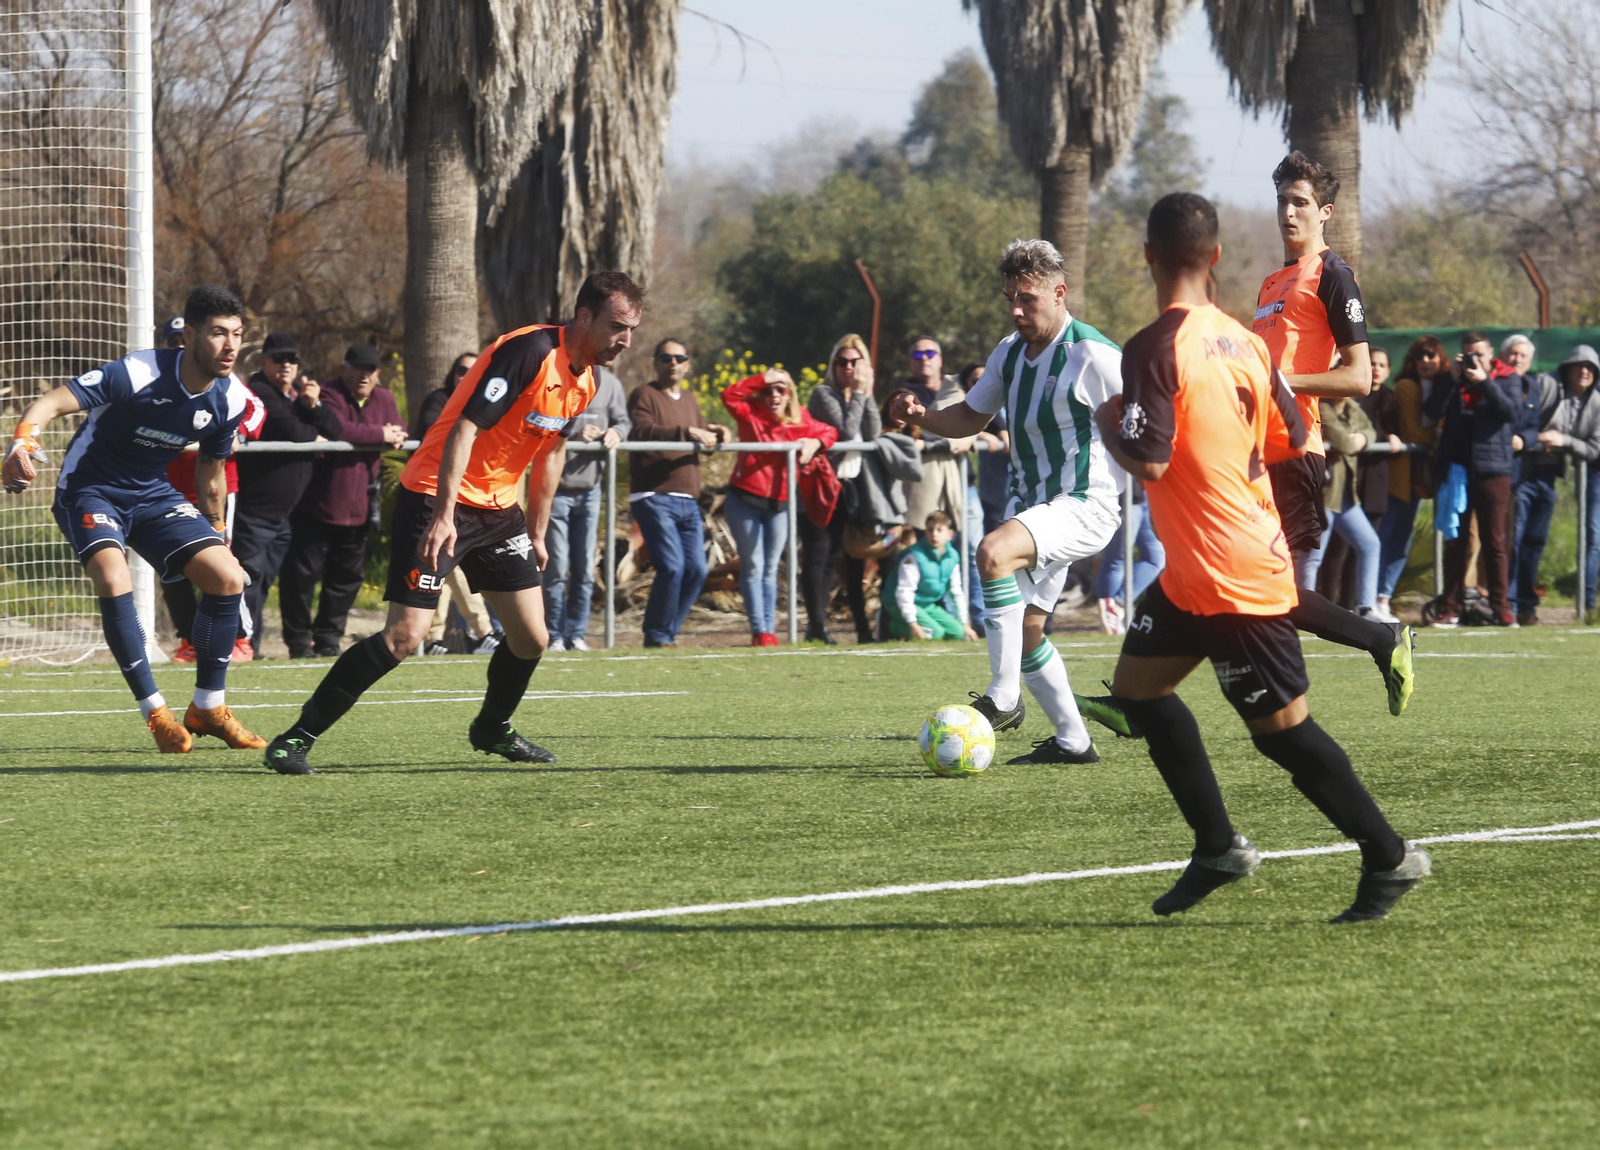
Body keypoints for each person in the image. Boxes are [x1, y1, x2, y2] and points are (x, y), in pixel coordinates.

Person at [1089, 192, 1428, 923]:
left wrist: (1106, 422)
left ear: (1147, 257)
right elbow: (1284, 441)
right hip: (1193, 572)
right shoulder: (1247, 342)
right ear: (1215, 258)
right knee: (1139, 691)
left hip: (1231, 574)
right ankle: (1217, 847)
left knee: (1284, 735)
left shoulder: (1152, 347)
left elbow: (1146, 462)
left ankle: (1389, 856)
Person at [262, 271, 643, 775]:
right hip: (435, 496)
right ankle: (294, 740)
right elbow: (466, 426)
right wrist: (443, 516)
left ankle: (491, 727)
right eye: (618, 325)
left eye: (632, 329)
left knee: (532, 636)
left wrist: (535, 528)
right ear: (585, 316)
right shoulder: (530, 352)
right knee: (406, 635)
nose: (626, 340)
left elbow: (551, 450)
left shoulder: (586, 378)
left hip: (498, 510)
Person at [890, 238, 1124, 766]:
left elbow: (1153, 422)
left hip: (1085, 504)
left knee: (992, 552)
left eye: (1028, 299)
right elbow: (970, 419)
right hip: (1036, 507)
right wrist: (921, 415)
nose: (1016, 310)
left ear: (1059, 293)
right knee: (1030, 630)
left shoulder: (1094, 355)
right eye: (1010, 299)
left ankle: (1004, 695)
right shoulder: (1009, 352)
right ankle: (1074, 742)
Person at [3, 284, 265, 753]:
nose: (230, 346)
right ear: (188, 337)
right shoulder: (139, 371)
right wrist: (22, 441)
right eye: (218, 333)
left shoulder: (229, 400)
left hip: (152, 494)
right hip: (90, 490)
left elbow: (212, 471)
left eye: (237, 335)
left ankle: (208, 707)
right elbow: (50, 402)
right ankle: (157, 714)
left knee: (228, 578)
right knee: (112, 573)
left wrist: (216, 528)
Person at [1252, 151, 1415, 714]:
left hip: (1295, 450)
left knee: (1267, 590)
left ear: (1324, 211)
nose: (1288, 212)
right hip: (1254, 452)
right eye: (1282, 201)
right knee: (1242, 580)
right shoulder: (1272, 281)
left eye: (1299, 203)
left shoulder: (1333, 273)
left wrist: (1282, 380)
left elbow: (1357, 376)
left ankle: (1378, 638)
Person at [278, 343, 407, 657]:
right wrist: (380, 434)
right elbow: (339, 429)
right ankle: (297, 642)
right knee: (300, 578)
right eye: (358, 368)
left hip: (360, 508)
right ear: (344, 368)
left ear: (377, 373)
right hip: (317, 505)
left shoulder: (385, 398)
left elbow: (399, 432)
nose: (364, 375)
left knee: (345, 581)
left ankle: (328, 639)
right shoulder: (329, 394)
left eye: (370, 370)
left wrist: (388, 434)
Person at [234, 331, 342, 659]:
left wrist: (314, 405)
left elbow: (334, 431)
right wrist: (315, 439)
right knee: (247, 583)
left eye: (292, 360)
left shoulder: (294, 397)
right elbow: (291, 431)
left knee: (263, 584)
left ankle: (249, 647)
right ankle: (239, 647)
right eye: (279, 359)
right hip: (255, 511)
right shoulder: (258, 392)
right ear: (263, 361)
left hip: (282, 516)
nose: (286, 365)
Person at [721, 369, 837, 646]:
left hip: (781, 504)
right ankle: (760, 631)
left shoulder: (802, 418)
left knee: (771, 567)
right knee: (754, 565)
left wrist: (816, 441)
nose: (774, 395)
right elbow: (729, 396)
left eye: (780, 390)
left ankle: (769, 630)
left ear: (789, 394)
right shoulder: (751, 412)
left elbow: (831, 431)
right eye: (768, 390)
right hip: (745, 499)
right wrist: (763, 378)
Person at [625, 339, 729, 648]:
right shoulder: (644, 395)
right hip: (653, 497)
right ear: (655, 363)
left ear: (687, 365)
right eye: (666, 358)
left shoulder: (689, 401)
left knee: (697, 569)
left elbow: (698, 434)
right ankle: (657, 634)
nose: (672, 363)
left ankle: (666, 632)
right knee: (671, 566)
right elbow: (642, 430)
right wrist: (687, 432)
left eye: (678, 358)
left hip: (688, 501)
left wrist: (717, 432)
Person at [1425, 331, 1519, 627]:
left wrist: (1484, 382)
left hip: (1492, 469)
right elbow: (1432, 411)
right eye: (1468, 354)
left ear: (1491, 353)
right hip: (1456, 470)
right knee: (1456, 541)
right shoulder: (1454, 380)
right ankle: (1451, 607)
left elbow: (1510, 412)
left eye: (1478, 353)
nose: (1473, 359)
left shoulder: (1507, 377)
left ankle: (1502, 607)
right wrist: (1452, 379)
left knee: (1494, 541)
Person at [411, 353, 500, 656]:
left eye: (474, 370)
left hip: (468, 494)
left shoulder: (488, 400)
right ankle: (484, 631)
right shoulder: (439, 400)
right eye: (462, 370)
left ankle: (435, 639)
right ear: (452, 373)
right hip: (432, 491)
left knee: (447, 567)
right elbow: (437, 435)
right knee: (447, 564)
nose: (467, 375)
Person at [545, 362, 630, 651]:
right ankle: (553, 634)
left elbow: (623, 421)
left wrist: (616, 433)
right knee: (556, 567)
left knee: (583, 568)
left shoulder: (611, 384)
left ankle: (576, 633)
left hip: (590, 492)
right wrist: (575, 433)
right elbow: (538, 424)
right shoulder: (557, 380)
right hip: (555, 491)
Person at [804, 334, 881, 643]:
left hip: (854, 487)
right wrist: (861, 395)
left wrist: (867, 394)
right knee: (821, 555)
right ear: (833, 365)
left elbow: (873, 434)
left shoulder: (861, 394)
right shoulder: (823, 394)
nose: (848, 368)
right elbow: (847, 433)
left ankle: (863, 629)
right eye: (842, 362)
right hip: (824, 484)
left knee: (855, 559)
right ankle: (816, 627)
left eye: (855, 362)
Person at [1376, 336, 1446, 614]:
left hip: (1418, 479)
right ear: (1411, 362)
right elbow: (1412, 432)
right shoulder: (1406, 386)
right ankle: (1370, 598)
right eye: (1421, 357)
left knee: (1401, 543)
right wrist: (1441, 437)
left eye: (1432, 356)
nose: (1426, 362)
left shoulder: (1444, 387)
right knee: (1382, 539)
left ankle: (1383, 597)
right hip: (1398, 478)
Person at [1298, 394, 1384, 614]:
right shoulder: (1322, 407)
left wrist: (1362, 439)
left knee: (1370, 544)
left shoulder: (1353, 406)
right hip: (1324, 495)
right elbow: (1343, 442)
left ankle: (1366, 607)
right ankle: (1302, 611)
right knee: (1313, 556)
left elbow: (1371, 431)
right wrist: (1356, 440)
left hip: (1345, 497)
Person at [1533, 345, 1600, 618]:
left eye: (1590, 367)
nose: (1584, 371)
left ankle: (1587, 604)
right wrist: (1553, 439)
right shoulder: (1555, 392)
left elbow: (1592, 447)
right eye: (1578, 366)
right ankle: (1586, 605)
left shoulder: (1596, 401)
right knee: (1592, 537)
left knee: (1593, 536)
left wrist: (1564, 442)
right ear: (1568, 369)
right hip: (1590, 474)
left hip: (1593, 468)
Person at [1506, 335, 1563, 624]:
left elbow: (1531, 428)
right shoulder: (1498, 383)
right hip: (1508, 476)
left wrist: (1533, 438)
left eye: (1523, 356)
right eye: (1513, 354)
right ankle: (1509, 603)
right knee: (1511, 541)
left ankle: (1526, 603)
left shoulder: (1534, 387)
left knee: (1534, 541)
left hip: (1540, 475)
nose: (1517, 359)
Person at [884, 510, 978, 641]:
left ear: (949, 534)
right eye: (930, 530)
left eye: (939, 530)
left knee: (957, 633)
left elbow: (955, 591)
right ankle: (891, 626)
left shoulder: (952, 557)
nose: (934, 534)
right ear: (925, 532)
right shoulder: (914, 556)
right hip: (898, 604)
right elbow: (904, 592)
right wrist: (913, 623)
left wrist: (965, 624)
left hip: (926, 605)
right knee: (935, 633)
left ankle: (918, 625)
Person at [1095, 480, 1164, 635]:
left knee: (1156, 558)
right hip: (1125, 497)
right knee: (1118, 559)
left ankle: (1117, 604)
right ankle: (1110, 610)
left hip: (1147, 495)